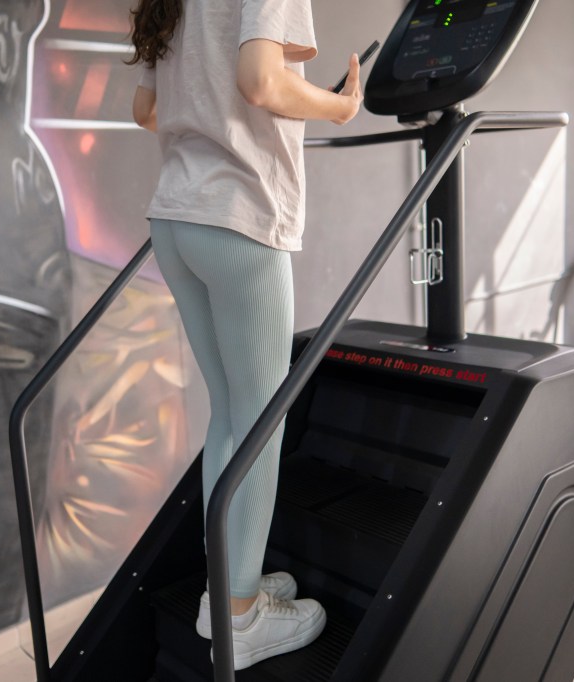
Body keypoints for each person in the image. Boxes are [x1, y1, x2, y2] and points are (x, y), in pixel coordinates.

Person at [128, 0, 363, 670]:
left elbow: (147, 109)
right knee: (259, 419)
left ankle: (226, 594)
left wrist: (203, 117)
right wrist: (338, 106)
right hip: (238, 214)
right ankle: (240, 616)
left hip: (176, 217)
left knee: (231, 414)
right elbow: (261, 81)